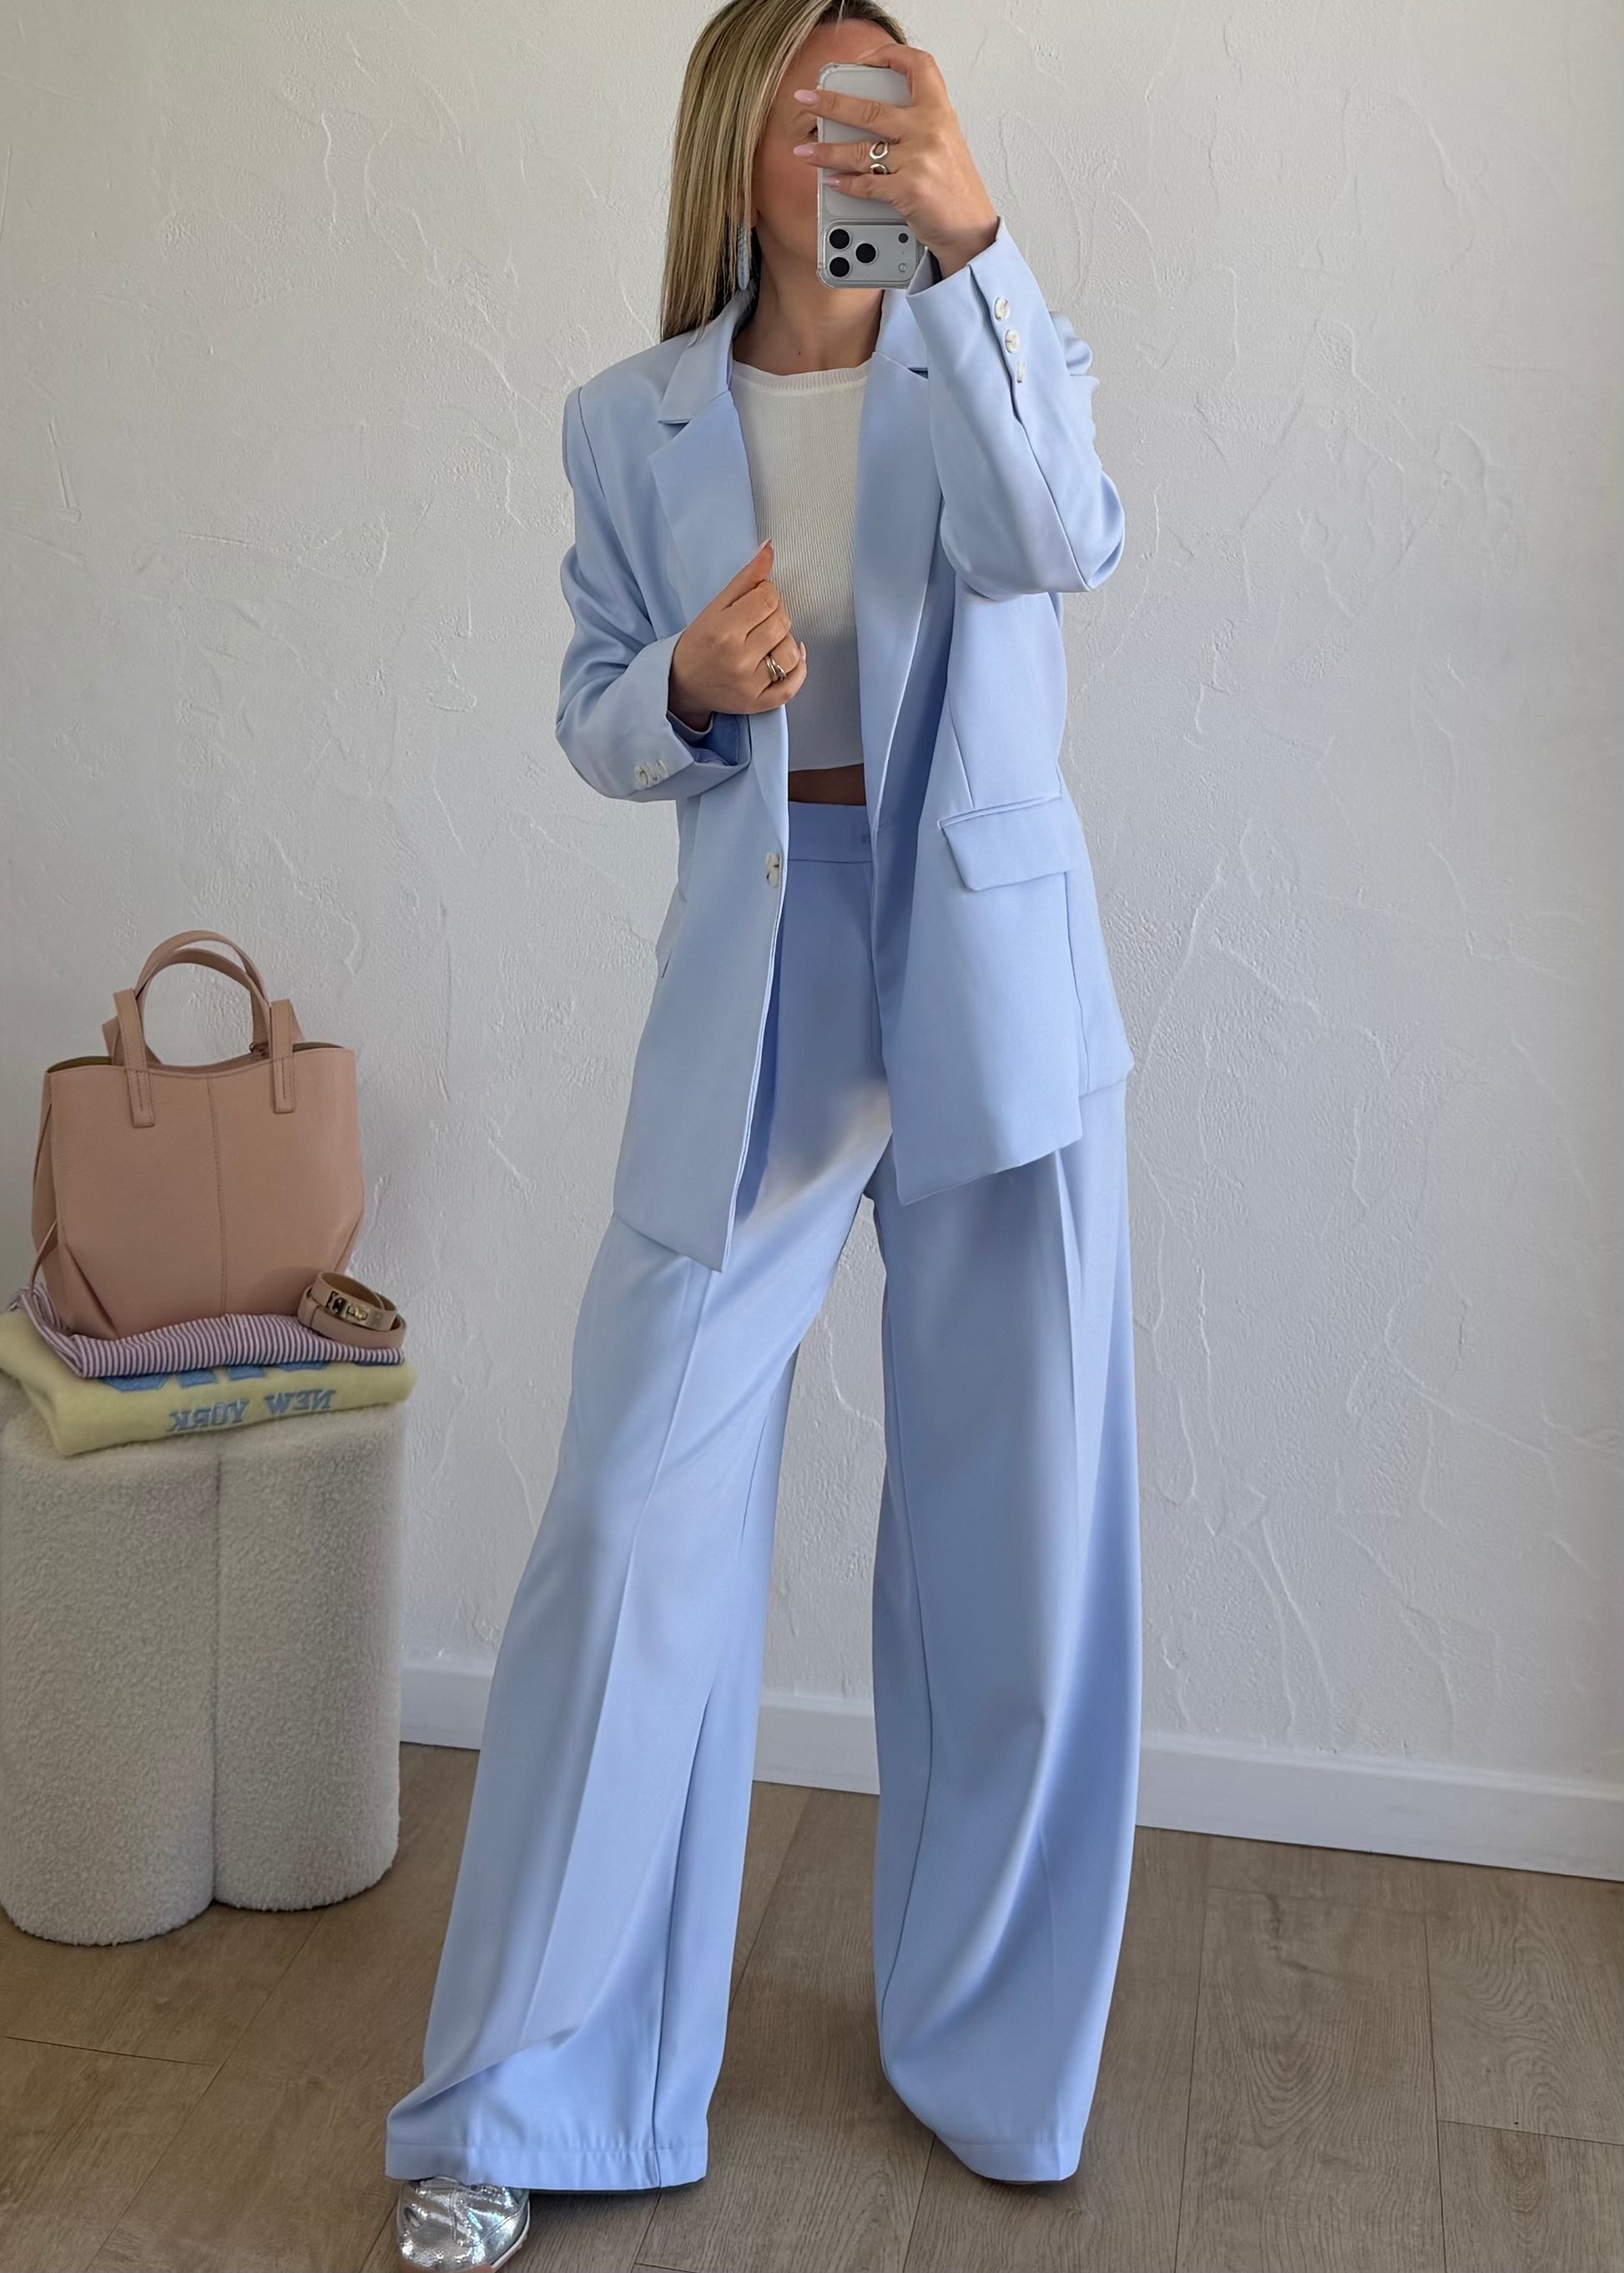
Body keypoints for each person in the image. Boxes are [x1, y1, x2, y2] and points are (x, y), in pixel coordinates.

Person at [390, 2, 1140, 2264]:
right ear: (736, 140)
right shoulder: (627, 420)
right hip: (764, 990)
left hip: (993, 987)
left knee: (1019, 1540)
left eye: (891, 113)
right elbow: (590, 706)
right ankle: (521, 2101)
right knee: (629, 1523)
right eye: (819, 113)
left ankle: (997, 2062)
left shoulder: (994, 340)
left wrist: (982, 247)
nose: (855, 151)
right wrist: (685, 693)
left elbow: (1061, 537)